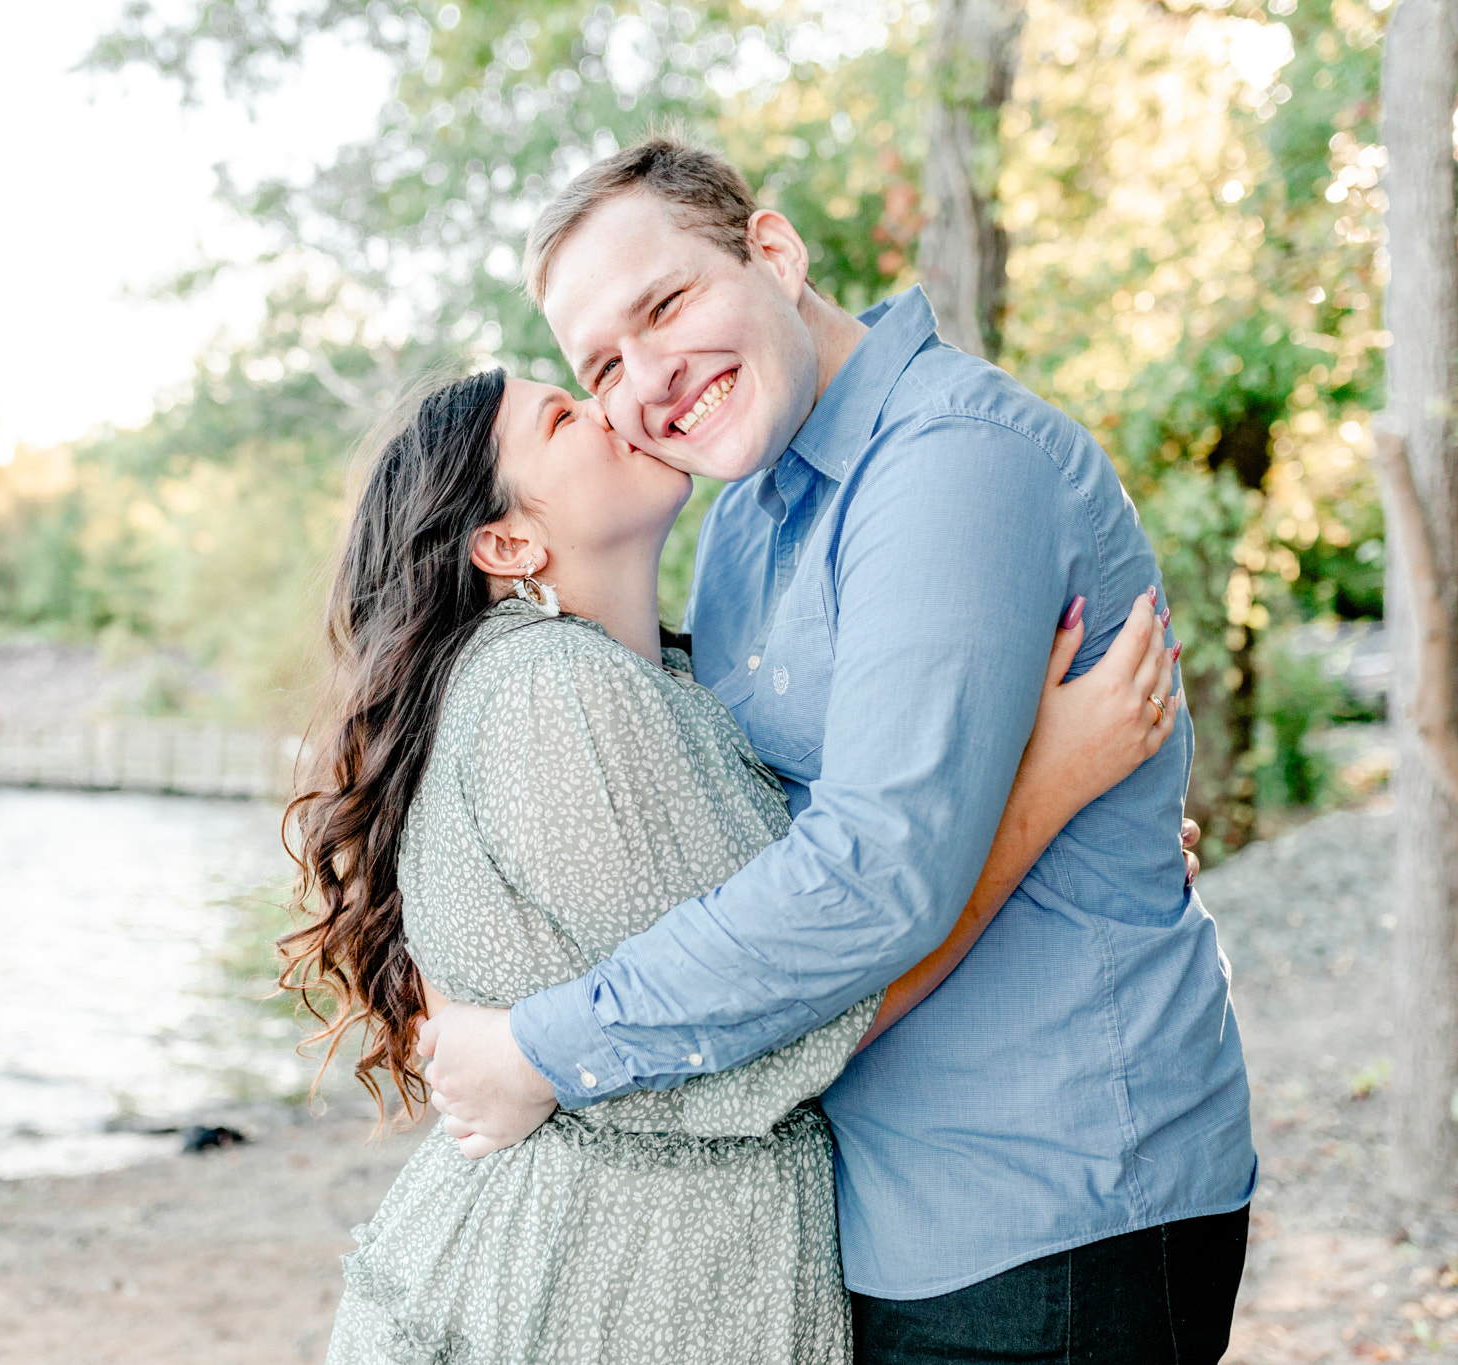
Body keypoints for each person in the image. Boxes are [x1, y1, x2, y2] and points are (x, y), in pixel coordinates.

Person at [418, 135, 1256, 1362]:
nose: (649, 377)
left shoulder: (947, 462)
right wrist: (1041, 792)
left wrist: (539, 1053)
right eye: (601, 364)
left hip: (1050, 1201)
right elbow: (752, 838)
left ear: (772, 249)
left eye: (666, 304)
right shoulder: (745, 518)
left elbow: (875, 871)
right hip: (873, 1210)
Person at [282, 366, 1184, 1363]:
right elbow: (793, 1000)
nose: (611, 407)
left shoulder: (652, 682)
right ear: (507, 542)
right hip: (596, 1294)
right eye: (561, 417)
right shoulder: (559, 689)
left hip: (635, 1273)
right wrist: (1046, 797)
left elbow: (840, 878)